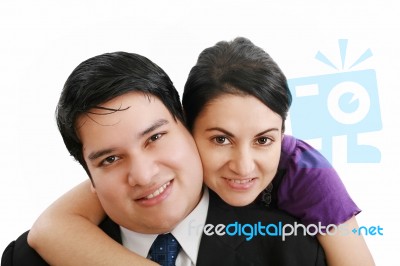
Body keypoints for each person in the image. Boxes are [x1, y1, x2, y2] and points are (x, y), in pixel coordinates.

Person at [26, 37, 374, 265]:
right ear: (190, 129)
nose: (242, 165)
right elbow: (51, 227)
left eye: (154, 138)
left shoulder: (306, 190)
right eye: (220, 139)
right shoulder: (37, 254)